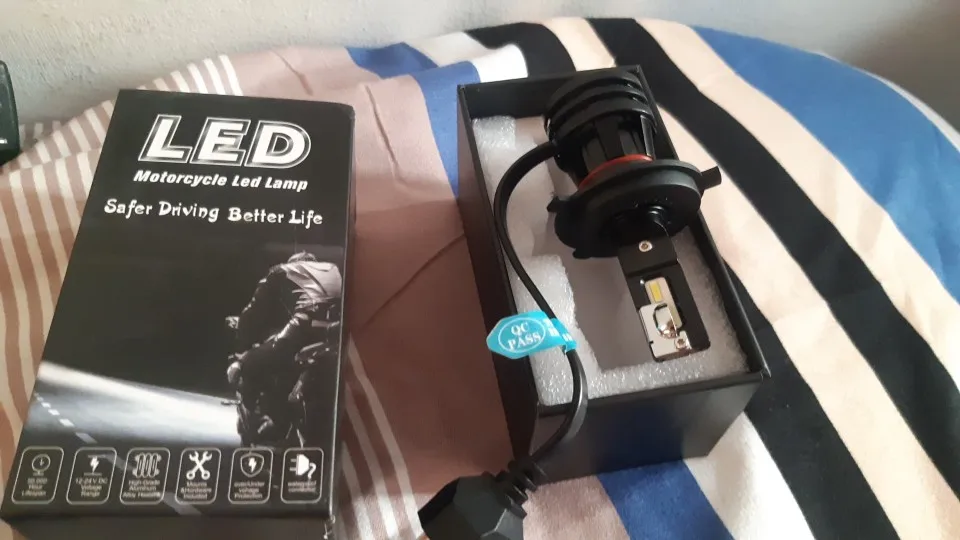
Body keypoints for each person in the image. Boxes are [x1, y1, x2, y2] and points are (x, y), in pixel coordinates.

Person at [226, 251, 343, 442]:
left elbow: (254, 311)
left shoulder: (282, 270)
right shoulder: (333, 268)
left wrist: (243, 346)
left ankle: (264, 423)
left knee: (252, 362)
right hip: (339, 329)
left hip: (306, 322)